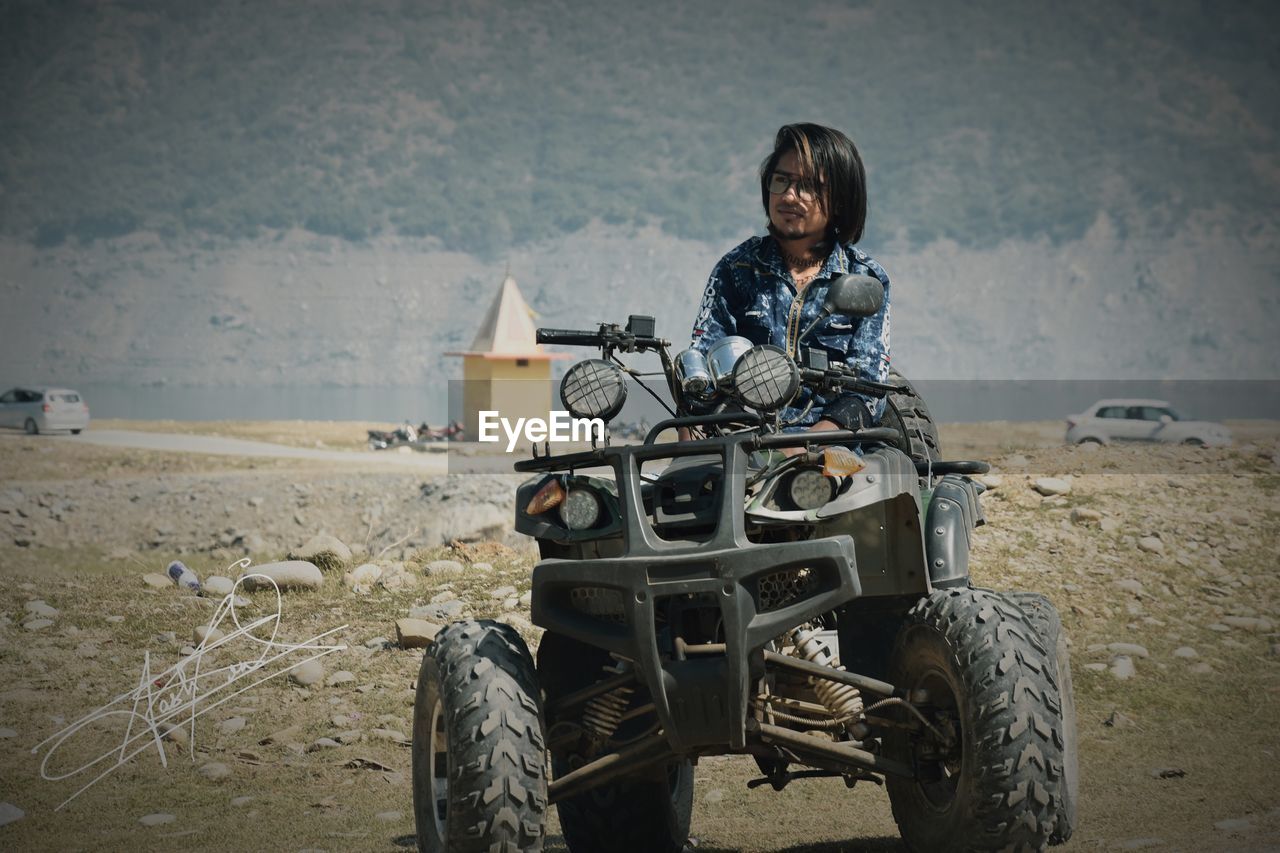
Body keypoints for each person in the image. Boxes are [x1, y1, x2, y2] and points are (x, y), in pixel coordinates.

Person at [687, 123, 890, 439]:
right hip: (741, 443)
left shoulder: (864, 278)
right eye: (781, 181)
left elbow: (868, 389)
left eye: (808, 186)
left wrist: (806, 445)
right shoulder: (737, 268)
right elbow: (702, 361)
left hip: (828, 449)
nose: (790, 196)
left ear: (839, 200)